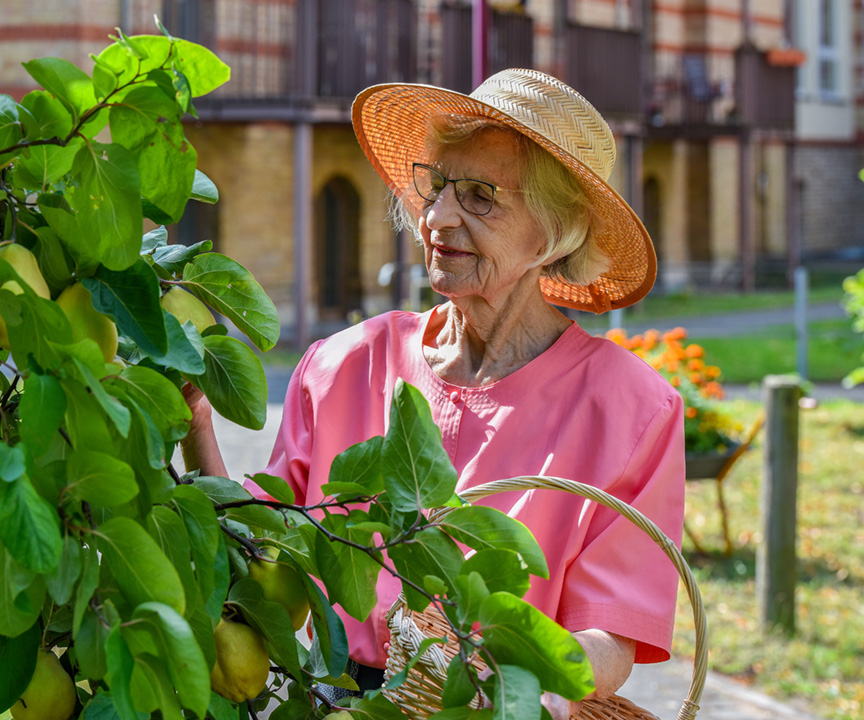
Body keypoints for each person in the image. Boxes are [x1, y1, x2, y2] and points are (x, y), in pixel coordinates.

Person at [181, 68, 684, 719]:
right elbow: (263, 567)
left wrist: (528, 693)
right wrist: (196, 428)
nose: (437, 217)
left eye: (480, 195)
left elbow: (611, 636)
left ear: (555, 230)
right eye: (437, 185)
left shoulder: (632, 409)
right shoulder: (343, 365)